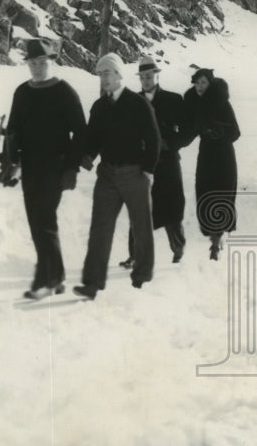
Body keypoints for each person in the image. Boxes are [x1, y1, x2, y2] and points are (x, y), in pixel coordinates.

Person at [5, 38, 87, 300]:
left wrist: (71, 168)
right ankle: (54, 275)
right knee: (36, 220)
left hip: (56, 165)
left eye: (42, 62)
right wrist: (12, 163)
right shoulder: (22, 92)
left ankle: (48, 278)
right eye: (33, 63)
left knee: (45, 220)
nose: (38, 68)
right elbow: (13, 131)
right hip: (30, 166)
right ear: (27, 64)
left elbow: (81, 133)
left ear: (51, 62)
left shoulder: (64, 91)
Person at [74, 53, 160, 300]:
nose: (104, 78)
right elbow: (93, 139)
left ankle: (142, 275)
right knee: (100, 228)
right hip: (108, 176)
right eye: (100, 74)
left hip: (135, 174)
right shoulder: (99, 107)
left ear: (119, 75)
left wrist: (147, 171)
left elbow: (153, 139)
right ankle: (92, 283)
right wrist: (87, 156)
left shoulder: (138, 104)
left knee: (141, 227)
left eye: (108, 73)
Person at [119, 57, 187, 269]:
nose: (146, 80)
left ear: (157, 76)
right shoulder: (132, 102)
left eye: (150, 76)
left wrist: (171, 144)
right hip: (143, 162)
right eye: (143, 77)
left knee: (172, 206)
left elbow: (187, 130)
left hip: (168, 161)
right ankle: (135, 255)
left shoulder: (174, 100)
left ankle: (178, 247)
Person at [180, 69, 240, 260]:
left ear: (210, 84)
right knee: (205, 193)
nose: (199, 87)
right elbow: (188, 130)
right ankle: (213, 237)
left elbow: (235, 132)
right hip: (206, 154)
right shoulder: (194, 103)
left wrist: (218, 132)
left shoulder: (222, 101)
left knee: (221, 195)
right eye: (197, 83)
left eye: (203, 83)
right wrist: (172, 144)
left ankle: (216, 242)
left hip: (223, 156)